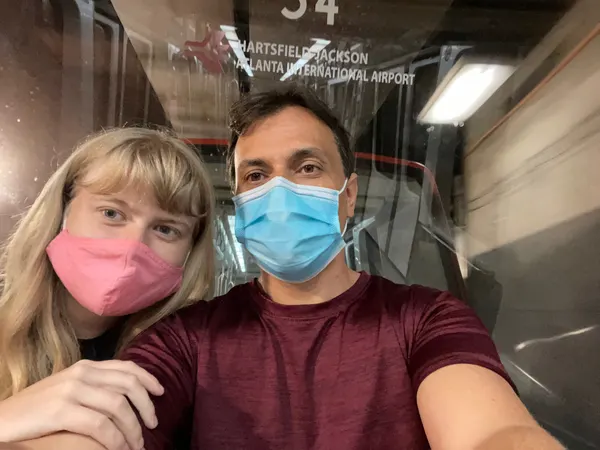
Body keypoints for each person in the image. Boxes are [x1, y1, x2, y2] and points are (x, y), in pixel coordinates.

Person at [16, 88, 564, 450]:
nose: (279, 191)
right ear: (240, 202)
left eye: (306, 167)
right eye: (256, 175)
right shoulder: (187, 336)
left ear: (348, 197)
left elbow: (492, 432)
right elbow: (104, 432)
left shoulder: (425, 319)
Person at [0, 128, 215, 450]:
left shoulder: (177, 355)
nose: (133, 245)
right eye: (112, 213)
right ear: (62, 212)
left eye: (165, 229)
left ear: (190, 251)